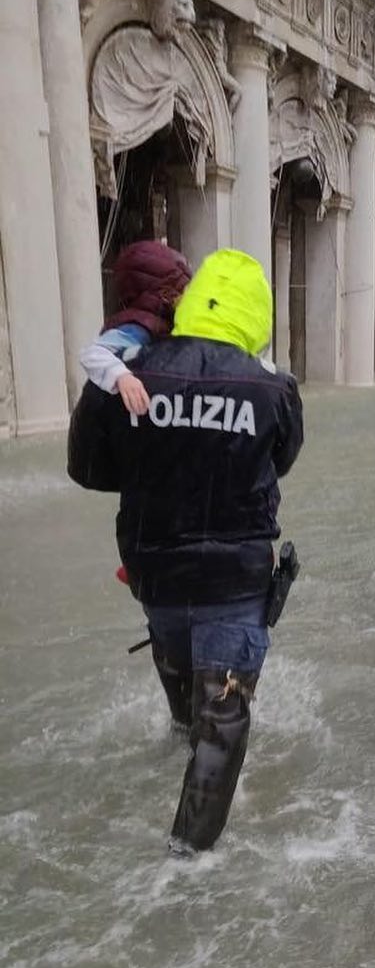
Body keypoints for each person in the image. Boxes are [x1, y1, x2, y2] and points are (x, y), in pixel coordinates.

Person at [68, 248, 304, 856]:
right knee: (222, 723)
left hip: (158, 574)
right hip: (236, 581)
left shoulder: (131, 366)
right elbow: (280, 462)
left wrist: (158, 462)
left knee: (180, 686)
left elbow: (88, 469)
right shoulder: (274, 386)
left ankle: (177, 731)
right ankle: (186, 865)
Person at [80, 240, 192, 417]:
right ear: (164, 293)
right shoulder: (140, 325)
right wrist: (121, 377)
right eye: (182, 290)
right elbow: (94, 353)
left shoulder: (161, 321)